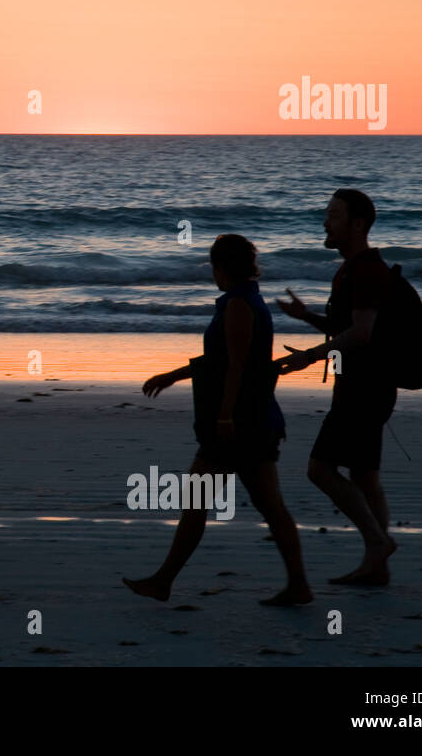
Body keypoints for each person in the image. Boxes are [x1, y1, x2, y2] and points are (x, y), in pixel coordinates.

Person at [126, 235, 313, 607]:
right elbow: (222, 360)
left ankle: (163, 581)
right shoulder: (245, 300)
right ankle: (298, 585)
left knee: (203, 502)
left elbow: (235, 366)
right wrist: (174, 375)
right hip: (254, 421)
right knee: (266, 506)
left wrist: (225, 415)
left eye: (214, 266)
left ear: (221, 267)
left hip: (240, 424)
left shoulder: (239, 305)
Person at [276, 189, 398, 585]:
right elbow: (350, 328)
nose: (325, 222)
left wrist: (309, 356)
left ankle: (377, 544)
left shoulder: (364, 270)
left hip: (363, 390)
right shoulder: (351, 270)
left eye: (333, 215)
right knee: (365, 478)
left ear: (357, 224)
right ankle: (377, 567)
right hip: (368, 386)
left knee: (319, 469)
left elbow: (361, 334)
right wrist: (307, 316)